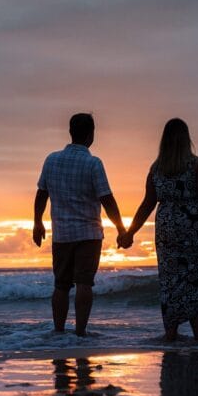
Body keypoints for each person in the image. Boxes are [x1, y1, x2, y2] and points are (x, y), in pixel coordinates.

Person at [119, 118, 198, 341]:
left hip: (167, 233)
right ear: (187, 140)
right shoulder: (197, 165)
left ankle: (171, 334)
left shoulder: (156, 169)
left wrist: (130, 232)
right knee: (196, 281)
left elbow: (147, 203)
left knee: (170, 282)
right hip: (194, 231)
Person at [33, 113, 128, 336]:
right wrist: (121, 228)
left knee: (61, 285)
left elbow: (41, 194)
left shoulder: (51, 159)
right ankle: (80, 333)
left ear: (70, 132)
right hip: (89, 234)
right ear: (91, 134)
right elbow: (107, 199)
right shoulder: (93, 163)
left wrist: (37, 223)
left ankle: (58, 332)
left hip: (62, 235)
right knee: (84, 283)